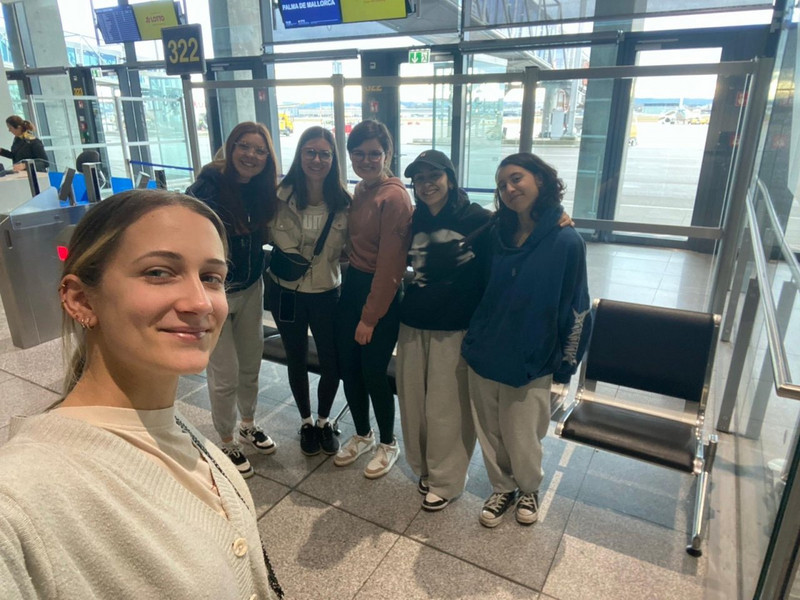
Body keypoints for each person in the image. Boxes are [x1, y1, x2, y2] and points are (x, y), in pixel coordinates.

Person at [0, 190, 282, 599]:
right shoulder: (20, 499)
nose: (200, 302)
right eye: (158, 272)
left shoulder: (174, 428)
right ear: (80, 299)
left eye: (211, 277)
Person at [462, 153, 592, 528]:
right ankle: (502, 487)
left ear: (540, 179)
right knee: (490, 431)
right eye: (502, 185)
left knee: (523, 435)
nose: (509, 189)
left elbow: (578, 308)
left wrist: (566, 365)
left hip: (531, 357)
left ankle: (529, 488)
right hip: (485, 348)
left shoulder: (567, 241)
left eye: (517, 179)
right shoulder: (495, 234)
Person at [397, 149, 493, 511]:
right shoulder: (413, 219)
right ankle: (423, 467)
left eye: (433, 176)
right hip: (413, 323)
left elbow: (518, 235)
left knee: (448, 408)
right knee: (414, 405)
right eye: (419, 179)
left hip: (456, 328)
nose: (426, 185)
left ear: (450, 178)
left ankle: (447, 480)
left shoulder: (478, 220)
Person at [187, 121, 279, 477]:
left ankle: (248, 423)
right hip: (215, 295)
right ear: (230, 147)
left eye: (259, 150)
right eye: (244, 146)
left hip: (251, 288)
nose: (251, 155)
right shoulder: (205, 190)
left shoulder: (261, 190)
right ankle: (226, 439)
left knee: (251, 364)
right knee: (224, 373)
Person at [333, 120, 413, 479]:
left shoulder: (393, 196)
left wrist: (370, 317)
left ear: (387, 154)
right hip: (352, 287)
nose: (366, 160)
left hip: (379, 294)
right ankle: (362, 433)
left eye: (374, 154)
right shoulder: (362, 189)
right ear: (350, 156)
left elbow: (391, 265)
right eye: (359, 153)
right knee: (349, 366)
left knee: (373, 372)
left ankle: (387, 442)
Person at [268, 126, 350, 456]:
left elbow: (353, 246)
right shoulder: (278, 196)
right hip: (286, 291)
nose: (317, 159)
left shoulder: (344, 202)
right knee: (296, 357)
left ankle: (324, 420)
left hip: (327, 291)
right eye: (310, 152)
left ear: (333, 160)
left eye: (324, 154)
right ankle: (305, 421)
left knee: (332, 361)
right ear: (300, 155)